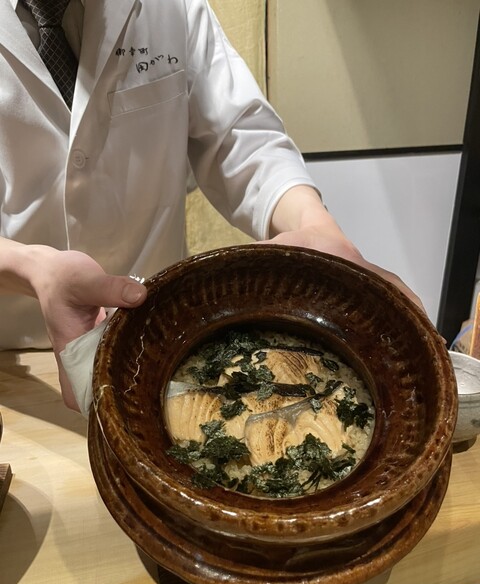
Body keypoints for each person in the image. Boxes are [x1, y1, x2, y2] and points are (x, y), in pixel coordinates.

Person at [0, 0, 421, 412]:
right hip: (12, 352)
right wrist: (30, 268)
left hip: (158, 340)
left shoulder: (173, 7)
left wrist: (315, 224)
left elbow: (239, 137)